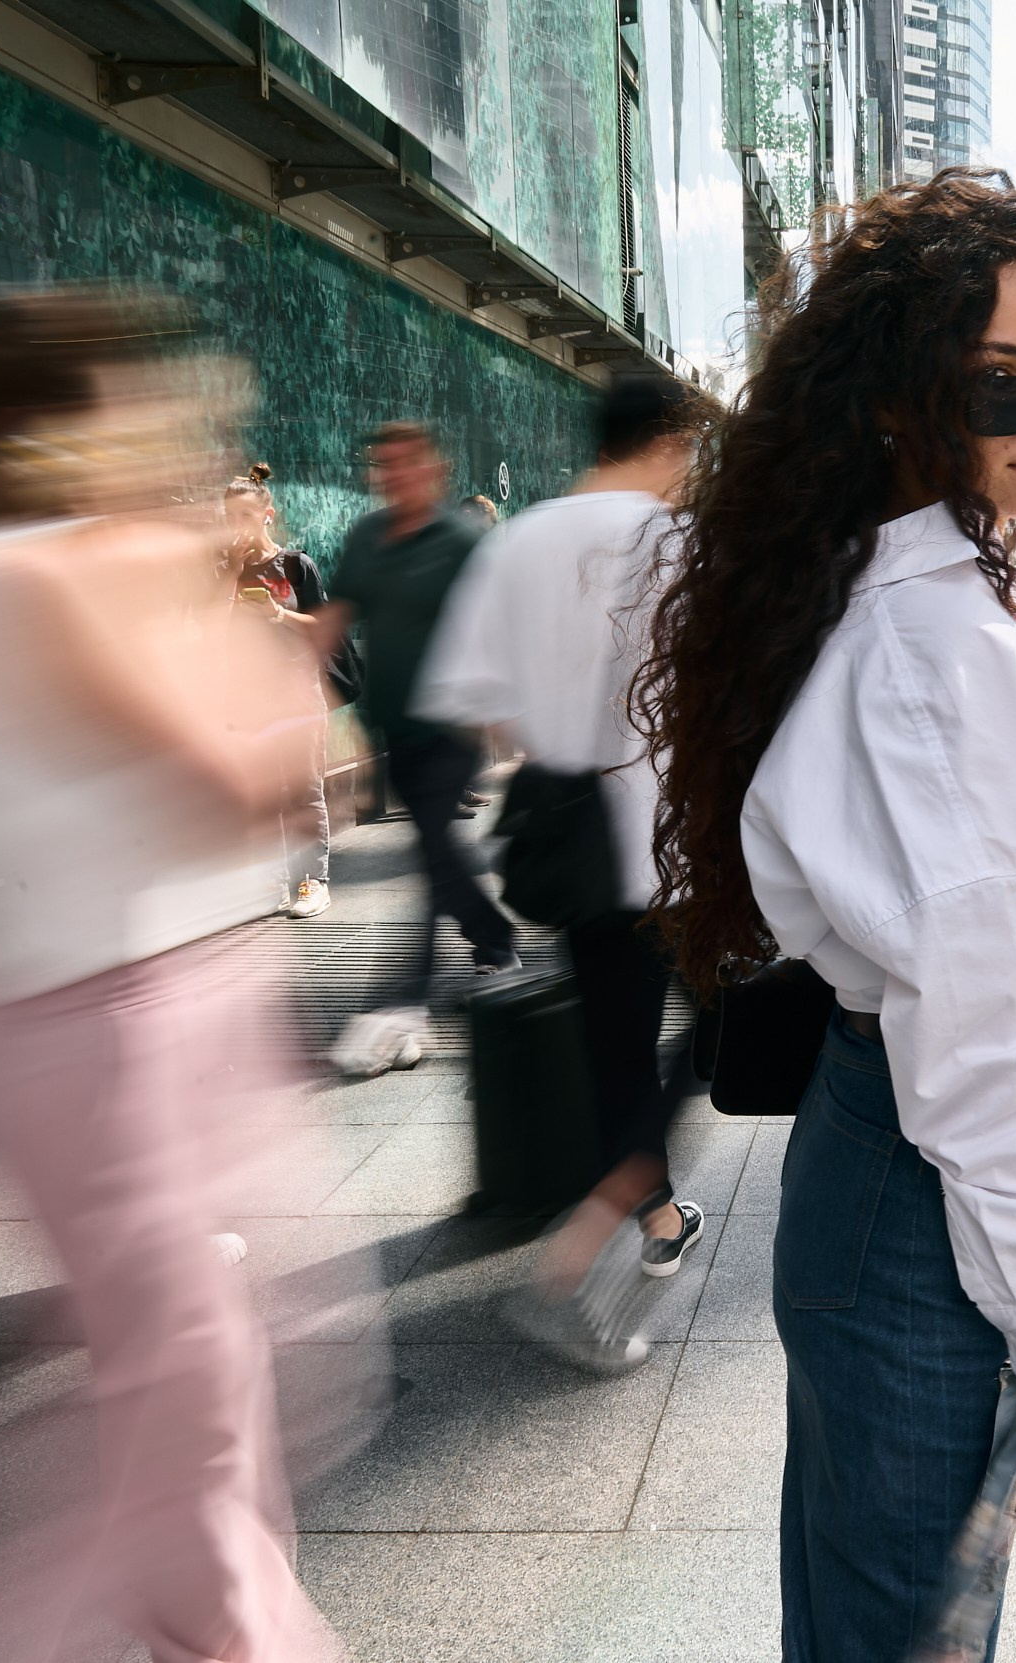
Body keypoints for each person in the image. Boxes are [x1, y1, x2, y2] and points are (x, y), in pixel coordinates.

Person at [635, 167, 1016, 1658]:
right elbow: (987, 1059)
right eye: (1005, 389)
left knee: (869, 1619)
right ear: (898, 401)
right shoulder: (939, 640)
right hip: (927, 1191)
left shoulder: (928, 587)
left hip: (892, 1170)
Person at [0, 292, 360, 1662]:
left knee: (207, 1414)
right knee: (189, 1439)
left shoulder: (35, 568)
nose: (175, 441)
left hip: (153, 1021)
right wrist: (253, 619)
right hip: (108, 1040)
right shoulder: (27, 575)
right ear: (65, 420)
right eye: (147, 407)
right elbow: (255, 777)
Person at [414, 377, 709, 1371]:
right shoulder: (681, 542)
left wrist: (562, 732)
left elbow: (476, 704)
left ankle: (658, 1213)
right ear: (670, 440)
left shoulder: (519, 538)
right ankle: (586, 1238)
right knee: (721, 1032)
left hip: (573, 847)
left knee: (619, 1048)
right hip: (678, 841)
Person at [317, 423, 517, 1076]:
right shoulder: (368, 538)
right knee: (437, 848)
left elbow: (498, 624)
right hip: (392, 729)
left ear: (434, 470)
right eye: (384, 464)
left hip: (452, 728)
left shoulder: (460, 542)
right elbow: (333, 621)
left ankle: (403, 1004)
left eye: (407, 463)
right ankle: (493, 934)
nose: (394, 474)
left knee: (431, 845)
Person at [222, 464, 335, 919]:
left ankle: (313, 881)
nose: (238, 526)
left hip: (298, 689)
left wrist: (278, 615)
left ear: (267, 514)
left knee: (304, 789)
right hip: (250, 694)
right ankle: (273, 883)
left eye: (246, 516)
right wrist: (227, 576)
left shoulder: (295, 564)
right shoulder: (224, 570)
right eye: (230, 517)